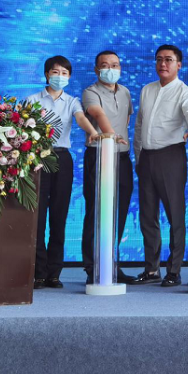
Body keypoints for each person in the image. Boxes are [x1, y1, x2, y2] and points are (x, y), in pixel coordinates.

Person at [26, 55, 100, 289]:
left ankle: (54, 273)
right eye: (55, 72)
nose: (60, 76)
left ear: (69, 77)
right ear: (46, 74)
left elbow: (81, 119)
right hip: (37, 159)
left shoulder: (72, 101)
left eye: (65, 73)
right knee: (37, 217)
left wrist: (92, 132)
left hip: (62, 158)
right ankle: (38, 272)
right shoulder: (32, 100)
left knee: (59, 216)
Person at [133, 44, 188, 287]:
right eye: (159, 59)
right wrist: (138, 156)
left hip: (171, 156)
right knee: (147, 215)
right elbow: (140, 125)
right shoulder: (147, 89)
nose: (163, 64)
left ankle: (174, 270)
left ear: (178, 65)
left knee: (175, 215)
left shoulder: (185, 92)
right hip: (146, 157)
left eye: (169, 60)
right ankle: (152, 269)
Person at [81, 50, 134, 286]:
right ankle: (93, 266)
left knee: (119, 212)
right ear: (96, 69)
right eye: (105, 65)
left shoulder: (125, 92)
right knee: (97, 211)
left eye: (115, 65)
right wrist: (112, 136)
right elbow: (98, 114)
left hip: (122, 158)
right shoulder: (90, 92)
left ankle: (111, 263)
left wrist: (120, 141)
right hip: (99, 156)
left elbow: (127, 119)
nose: (110, 69)